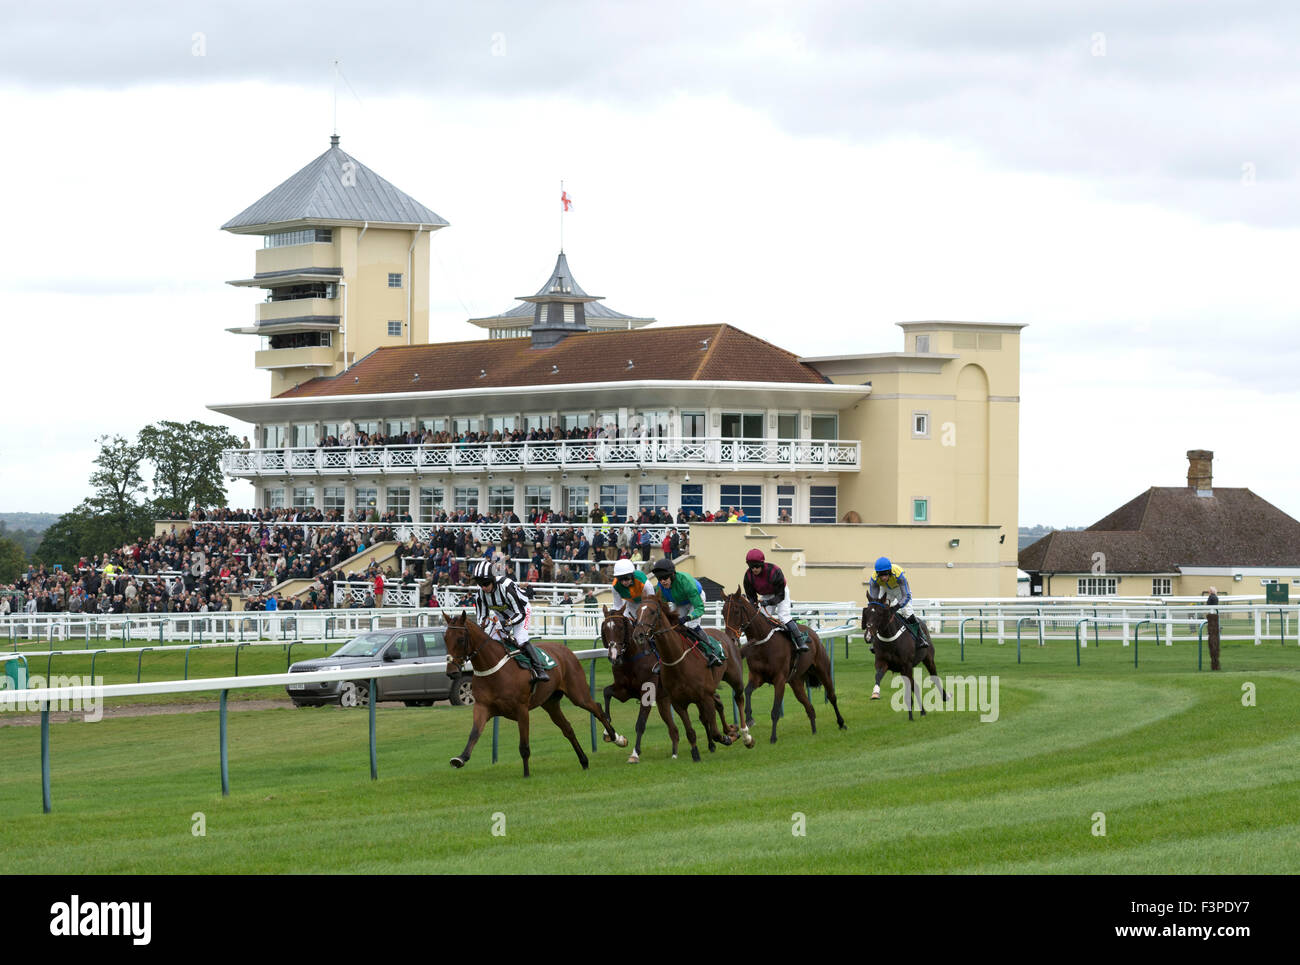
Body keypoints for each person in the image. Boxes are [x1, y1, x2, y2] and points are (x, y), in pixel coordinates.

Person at [471, 558, 548, 684]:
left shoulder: (507, 586)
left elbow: (520, 614)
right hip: (502, 616)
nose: (483, 588)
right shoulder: (480, 595)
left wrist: (504, 624)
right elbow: (482, 618)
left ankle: (539, 670)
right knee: (491, 642)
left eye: (486, 584)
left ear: (492, 580)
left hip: (521, 610)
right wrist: (482, 629)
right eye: (480, 585)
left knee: (520, 638)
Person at [650, 557, 723, 667]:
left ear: (672, 575)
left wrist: (688, 617)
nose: (662, 581)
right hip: (679, 601)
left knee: (692, 625)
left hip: (696, 599)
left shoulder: (686, 582)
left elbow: (699, 608)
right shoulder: (660, 588)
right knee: (673, 627)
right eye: (659, 579)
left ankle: (711, 653)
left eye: (665, 578)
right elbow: (663, 608)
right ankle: (664, 659)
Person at [742, 548, 808, 654]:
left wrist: (767, 603)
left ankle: (800, 642)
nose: (754, 569)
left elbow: (780, 596)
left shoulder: (774, 571)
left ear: (762, 564)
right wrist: (754, 605)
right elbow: (751, 596)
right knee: (762, 619)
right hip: (766, 594)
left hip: (780, 592)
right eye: (751, 567)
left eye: (757, 566)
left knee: (783, 616)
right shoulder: (748, 576)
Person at [868, 556, 930, 649]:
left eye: (885, 574)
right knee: (879, 613)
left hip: (899, 589)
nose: (883, 577)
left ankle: (921, 637)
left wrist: (896, 607)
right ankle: (875, 640)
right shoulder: (873, 580)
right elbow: (874, 600)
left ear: (889, 572)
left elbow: (906, 596)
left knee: (907, 612)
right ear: (877, 574)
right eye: (881, 575)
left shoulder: (899, 575)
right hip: (885, 589)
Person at [1205, 586, 1221, 671]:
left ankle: (1214, 664)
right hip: (1214, 615)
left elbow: (1208, 605)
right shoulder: (1216, 597)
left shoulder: (1211, 597)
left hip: (1212, 616)